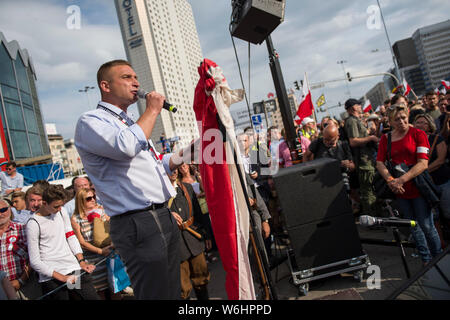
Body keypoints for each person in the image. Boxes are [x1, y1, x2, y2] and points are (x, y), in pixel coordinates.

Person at [74, 59, 192, 300]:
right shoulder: (91, 121)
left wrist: (190, 152)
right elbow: (125, 147)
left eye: (136, 77)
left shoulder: (130, 123)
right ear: (105, 86)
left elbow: (157, 163)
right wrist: (152, 110)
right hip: (137, 221)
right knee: (155, 294)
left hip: (161, 215)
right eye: (127, 77)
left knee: (171, 291)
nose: (136, 82)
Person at [376, 104, 442, 265]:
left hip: (418, 188)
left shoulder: (418, 134)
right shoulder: (386, 138)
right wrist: (391, 181)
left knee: (427, 225)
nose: (401, 121)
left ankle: (439, 258)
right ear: (390, 122)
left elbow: (423, 164)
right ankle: (426, 260)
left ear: (408, 117)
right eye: (397, 119)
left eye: (403, 117)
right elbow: (379, 163)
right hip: (400, 191)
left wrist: (401, 180)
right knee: (413, 226)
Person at [26, 185, 99, 300]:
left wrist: (81, 261)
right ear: (44, 203)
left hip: (72, 268)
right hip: (52, 276)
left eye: (61, 205)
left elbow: (70, 236)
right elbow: (35, 261)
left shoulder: (61, 211)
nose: (60, 208)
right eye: (56, 206)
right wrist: (63, 278)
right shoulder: (33, 224)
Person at [168, 168, 211, 300]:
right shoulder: (158, 194)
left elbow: (198, 213)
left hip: (194, 239)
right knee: (183, 288)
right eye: (170, 169)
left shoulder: (187, 188)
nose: (174, 171)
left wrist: (206, 235)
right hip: (175, 246)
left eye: (175, 169)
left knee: (202, 280)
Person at [70, 188, 116, 300]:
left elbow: (113, 230)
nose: (93, 200)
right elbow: (82, 243)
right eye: (88, 198)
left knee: (115, 289)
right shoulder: (76, 219)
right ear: (81, 201)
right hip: (92, 260)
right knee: (99, 292)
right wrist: (100, 251)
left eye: (94, 197)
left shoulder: (103, 211)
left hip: (110, 255)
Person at [344, 98, 380, 217]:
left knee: (371, 187)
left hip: (367, 158)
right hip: (363, 161)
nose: (360, 106)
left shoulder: (356, 120)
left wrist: (369, 132)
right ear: (353, 107)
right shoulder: (351, 121)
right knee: (368, 190)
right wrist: (370, 138)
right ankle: (372, 217)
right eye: (358, 104)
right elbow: (353, 141)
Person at [0, 199, 40, 300]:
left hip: (26, 285)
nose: (0, 214)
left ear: (10, 209)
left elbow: (34, 257)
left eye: (3, 209)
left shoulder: (23, 229)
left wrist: (21, 280)